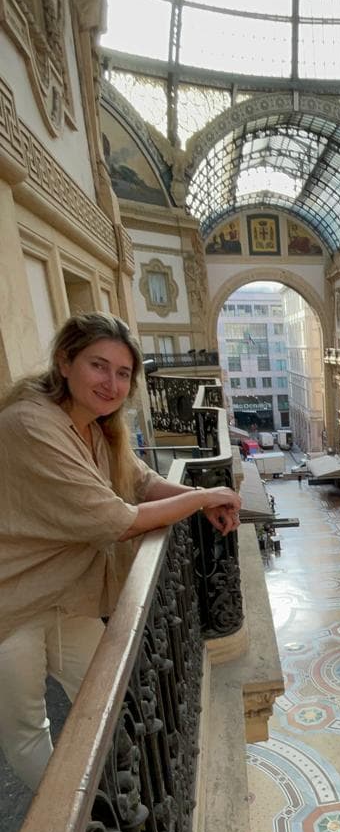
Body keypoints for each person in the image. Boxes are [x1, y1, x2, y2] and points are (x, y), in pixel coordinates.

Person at [0, 312, 242, 792]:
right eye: (98, 365)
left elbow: (140, 481)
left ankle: (107, 805)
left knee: (111, 701)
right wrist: (198, 499)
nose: (111, 383)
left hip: (69, 593)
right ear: (65, 362)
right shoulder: (30, 425)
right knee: (29, 729)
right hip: (13, 602)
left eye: (123, 373)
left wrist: (201, 501)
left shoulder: (98, 427)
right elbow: (116, 520)